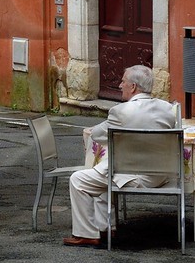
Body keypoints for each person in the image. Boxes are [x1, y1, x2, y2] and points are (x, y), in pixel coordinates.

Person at [62, 63, 182, 246]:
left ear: (133, 87)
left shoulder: (120, 112)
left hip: (132, 175)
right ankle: (107, 227)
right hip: (161, 176)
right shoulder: (168, 109)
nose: (120, 85)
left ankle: (86, 233)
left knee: (78, 180)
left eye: (123, 81)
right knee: (102, 176)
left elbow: (97, 135)